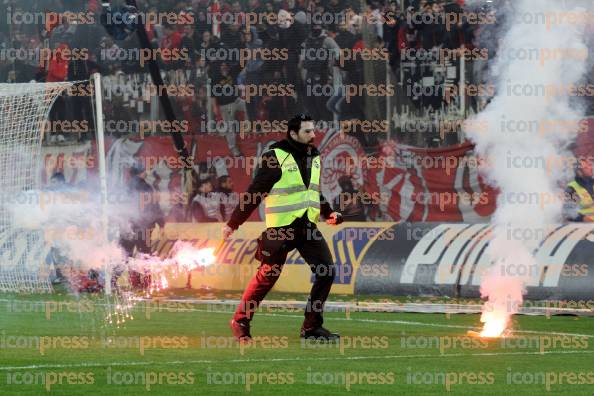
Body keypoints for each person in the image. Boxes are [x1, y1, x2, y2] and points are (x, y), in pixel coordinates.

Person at [223, 114, 344, 342]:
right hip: (281, 228)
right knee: (267, 276)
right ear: (293, 134)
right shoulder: (275, 156)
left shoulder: (314, 156)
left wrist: (329, 213)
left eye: (313, 130)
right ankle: (240, 320)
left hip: (306, 225)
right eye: (307, 131)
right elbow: (255, 192)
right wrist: (233, 223)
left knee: (326, 270)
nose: (313, 135)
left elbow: (313, 192)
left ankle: (311, 328)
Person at [565, 156, 594, 222]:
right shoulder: (572, 188)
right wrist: (584, 219)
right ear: (579, 172)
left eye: (590, 165)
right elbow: (569, 212)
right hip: (585, 229)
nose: (591, 168)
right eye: (586, 167)